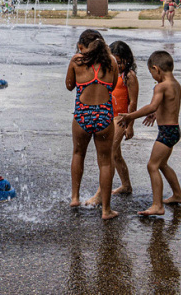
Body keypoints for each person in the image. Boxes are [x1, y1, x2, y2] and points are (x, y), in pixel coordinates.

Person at [117, 50, 181, 216]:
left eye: (151, 73)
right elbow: (171, 105)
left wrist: (130, 116)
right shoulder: (176, 84)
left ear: (157, 69)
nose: (153, 76)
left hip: (166, 132)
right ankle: (178, 194)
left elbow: (152, 105)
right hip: (174, 129)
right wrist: (157, 114)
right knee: (161, 164)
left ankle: (157, 206)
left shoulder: (160, 86)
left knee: (152, 165)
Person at [65, 29, 119, 220]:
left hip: (82, 114)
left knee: (78, 153)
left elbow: (69, 86)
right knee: (105, 161)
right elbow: (112, 86)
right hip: (104, 115)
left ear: (81, 46)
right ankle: (106, 210)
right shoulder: (111, 62)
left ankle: (74, 197)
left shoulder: (76, 60)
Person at [85, 41, 139, 206]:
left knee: (108, 154)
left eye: (120, 61)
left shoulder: (129, 76)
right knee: (116, 155)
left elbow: (133, 103)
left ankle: (100, 195)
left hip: (121, 119)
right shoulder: (110, 72)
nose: (118, 65)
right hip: (108, 116)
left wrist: (130, 125)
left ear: (127, 59)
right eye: (115, 61)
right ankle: (126, 185)